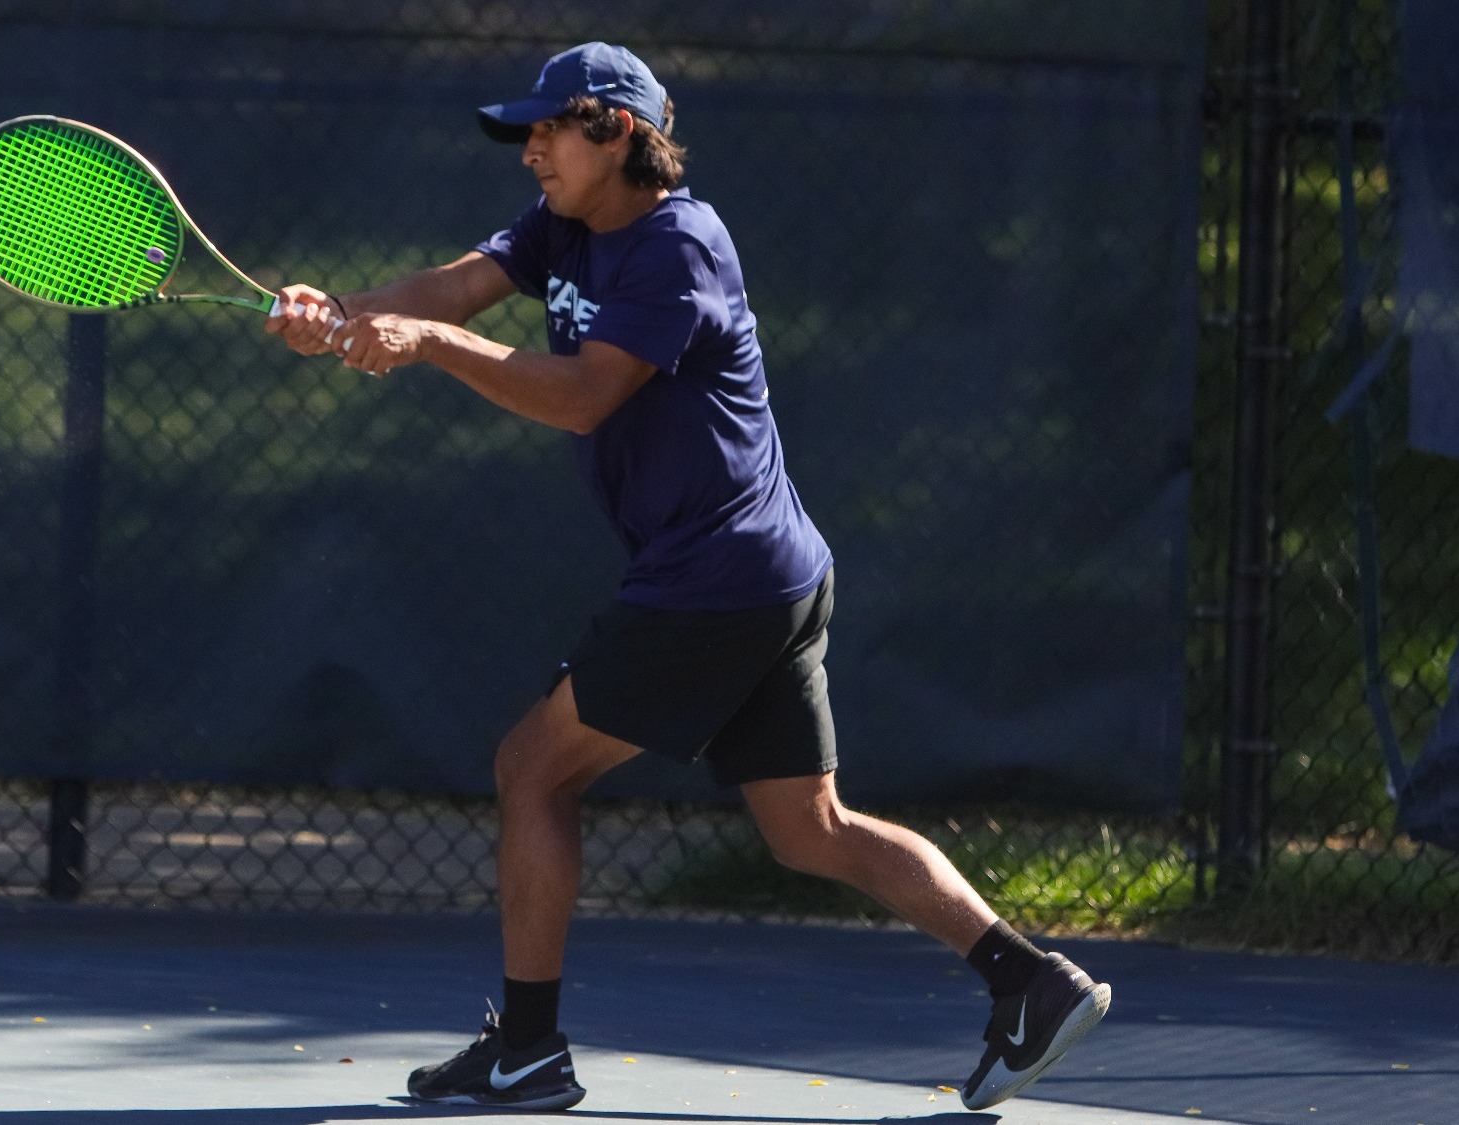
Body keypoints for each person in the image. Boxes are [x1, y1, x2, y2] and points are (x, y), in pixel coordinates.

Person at [264, 40, 1111, 1114]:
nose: (529, 151)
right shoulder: (562, 226)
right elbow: (458, 285)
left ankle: (525, 1050)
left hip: (714, 579)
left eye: (547, 130)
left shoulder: (678, 244)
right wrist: (336, 313)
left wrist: (424, 343)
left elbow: (579, 395)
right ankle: (1030, 984)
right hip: (764, 570)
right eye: (524, 132)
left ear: (616, 133)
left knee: (533, 768)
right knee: (810, 831)